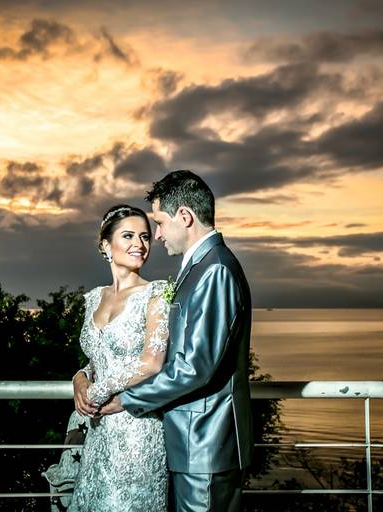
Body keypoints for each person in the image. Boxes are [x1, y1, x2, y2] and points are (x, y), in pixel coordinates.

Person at [80, 170, 254, 512]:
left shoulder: (215, 269)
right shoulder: (199, 267)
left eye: (158, 223)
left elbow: (194, 367)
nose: (156, 236)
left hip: (205, 440)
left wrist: (126, 399)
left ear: (185, 217)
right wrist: (82, 376)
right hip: (191, 442)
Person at [69, 204, 171, 512]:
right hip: (98, 434)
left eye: (145, 237)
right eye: (128, 236)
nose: (139, 244)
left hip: (137, 432)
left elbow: (152, 362)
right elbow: (99, 358)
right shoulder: (94, 298)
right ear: (105, 245)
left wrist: (97, 392)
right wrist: (80, 378)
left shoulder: (157, 294)